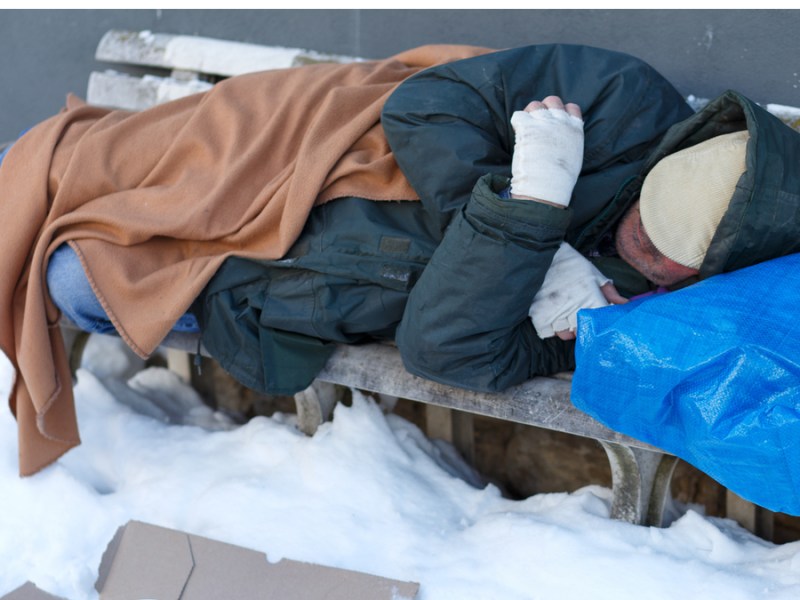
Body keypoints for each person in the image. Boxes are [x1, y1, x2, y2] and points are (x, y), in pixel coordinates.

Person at [2, 43, 799, 476]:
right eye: (646, 212)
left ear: (706, 277)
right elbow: (427, 102)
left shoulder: (632, 315)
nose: (638, 243)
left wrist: (529, 223)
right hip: (307, 152)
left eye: (663, 255)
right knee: (48, 171)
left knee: (74, 281)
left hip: (298, 279)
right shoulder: (626, 102)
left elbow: (443, 347)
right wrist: (529, 215)